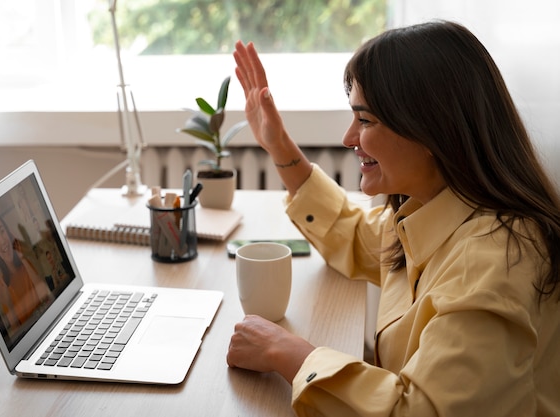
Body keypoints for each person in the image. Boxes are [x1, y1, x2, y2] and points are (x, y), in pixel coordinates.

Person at [226, 21, 560, 416]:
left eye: (365, 120)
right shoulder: (434, 213)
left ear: (431, 130)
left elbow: (420, 411)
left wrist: (290, 353)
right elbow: (351, 233)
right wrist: (276, 142)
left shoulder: (494, 260)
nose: (349, 138)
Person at [0, 209, 52, 329]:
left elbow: (46, 296)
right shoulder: (2, 286)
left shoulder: (26, 261)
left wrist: (23, 258)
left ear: (9, 233)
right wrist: (8, 304)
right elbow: (18, 334)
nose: (2, 240)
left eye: (2, 231)